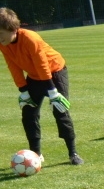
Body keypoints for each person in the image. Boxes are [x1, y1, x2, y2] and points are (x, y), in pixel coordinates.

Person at [1, 8, 82, 165]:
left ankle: (73, 153)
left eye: (0, 33)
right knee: (28, 113)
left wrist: (52, 91)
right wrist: (23, 90)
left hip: (55, 72)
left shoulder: (30, 38)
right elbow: (13, 66)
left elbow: (42, 64)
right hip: (34, 76)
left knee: (60, 109)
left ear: (12, 28)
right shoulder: (3, 44)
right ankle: (35, 154)